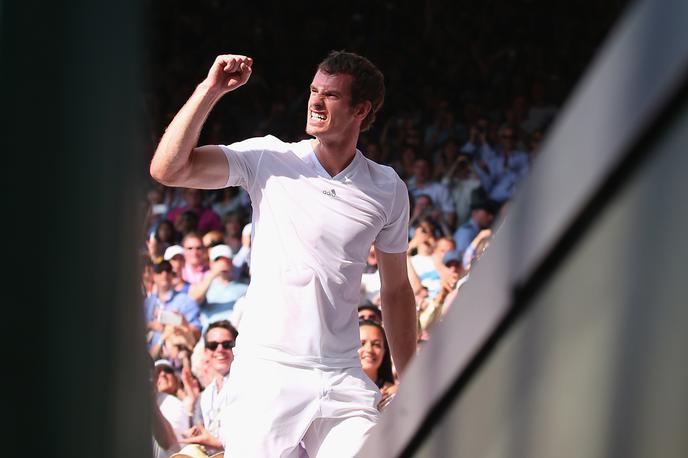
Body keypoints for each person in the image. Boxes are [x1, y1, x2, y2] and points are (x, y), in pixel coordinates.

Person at [150, 51, 417, 457]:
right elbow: (168, 170)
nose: (314, 101)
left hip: (342, 375)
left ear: (361, 110)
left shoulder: (387, 188)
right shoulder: (268, 158)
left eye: (330, 95)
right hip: (267, 373)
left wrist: (413, 378)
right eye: (313, 91)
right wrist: (211, 90)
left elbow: (396, 290)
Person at [181, 321, 238, 455]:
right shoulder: (204, 397)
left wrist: (217, 444)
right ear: (206, 352)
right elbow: (199, 429)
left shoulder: (249, 385)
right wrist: (194, 434)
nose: (220, 350)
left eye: (227, 344)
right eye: (213, 345)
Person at [358, 320, 397, 411]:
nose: (369, 350)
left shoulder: (393, 394)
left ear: (385, 351)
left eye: (376, 345)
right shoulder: (335, 390)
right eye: (361, 343)